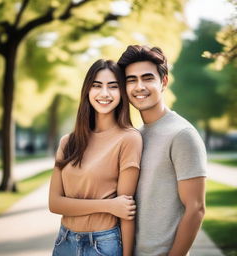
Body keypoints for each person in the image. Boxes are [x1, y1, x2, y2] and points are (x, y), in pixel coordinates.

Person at [117, 45, 207, 256]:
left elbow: (196, 209)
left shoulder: (182, 134)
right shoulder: (137, 135)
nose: (139, 87)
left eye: (148, 78)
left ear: (163, 82)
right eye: (131, 80)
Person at [49, 59, 142, 256]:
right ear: (87, 91)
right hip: (64, 241)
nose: (104, 93)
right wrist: (108, 205)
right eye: (97, 86)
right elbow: (55, 203)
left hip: (103, 243)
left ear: (122, 93)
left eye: (113, 86)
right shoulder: (68, 142)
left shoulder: (129, 139)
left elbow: (126, 212)